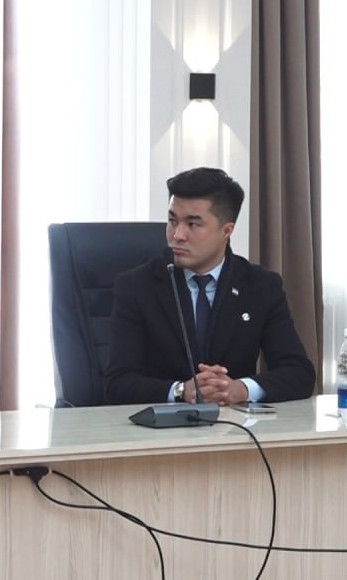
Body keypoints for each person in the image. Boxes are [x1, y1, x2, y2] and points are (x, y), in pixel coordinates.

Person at [105, 166, 316, 405]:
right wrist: (180, 391)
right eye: (172, 221)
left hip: (235, 423)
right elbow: (117, 383)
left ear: (227, 230)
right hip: (159, 423)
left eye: (192, 224)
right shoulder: (137, 286)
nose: (177, 235)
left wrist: (241, 389)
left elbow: (299, 373)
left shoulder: (261, 286)